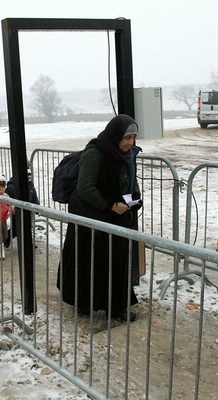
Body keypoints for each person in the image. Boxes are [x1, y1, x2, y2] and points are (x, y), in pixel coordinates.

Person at [57, 114, 142, 321]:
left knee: (116, 262)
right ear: (115, 135)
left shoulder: (128, 155)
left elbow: (132, 180)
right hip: (91, 217)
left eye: (133, 138)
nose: (130, 142)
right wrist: (110, 206)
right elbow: (85, 187)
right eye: (126, 138)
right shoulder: (95, 153)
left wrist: (136, 198)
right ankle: (85, 303)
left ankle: (117, 307)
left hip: (118, 216)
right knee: (89, 262)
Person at [4, 164, 40, 248]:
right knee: (16, 229)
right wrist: (9, 208)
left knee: (27, 227)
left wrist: (37, 207)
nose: (28, 179)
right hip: (16, 212)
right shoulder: (11, 187)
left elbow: (34, 197)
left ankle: (28, 244)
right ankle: (7, 239)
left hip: (28, 211)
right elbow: (6, 199)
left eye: (29, 177)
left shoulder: (31, 186)